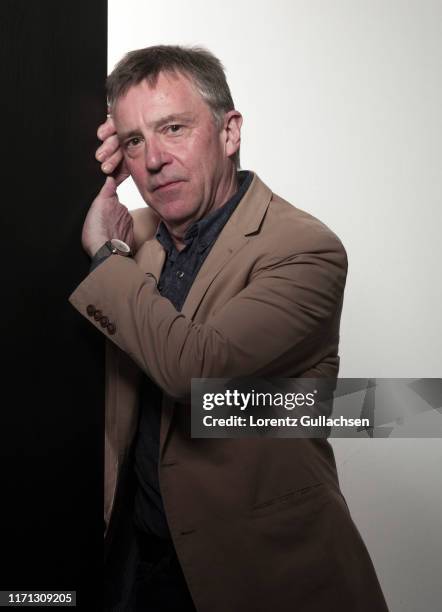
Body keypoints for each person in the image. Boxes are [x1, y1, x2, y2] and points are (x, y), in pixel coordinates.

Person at [69, 45, 388, 611]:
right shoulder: (131, 235)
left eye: (173, 128)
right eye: (135, 140)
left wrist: (107, 257)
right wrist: (73, 159)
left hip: (262, 573)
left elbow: (197, 372)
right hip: (134, 566)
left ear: (229, 131)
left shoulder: (304, 248)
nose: (155, 159)